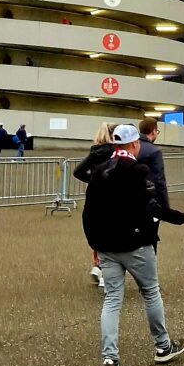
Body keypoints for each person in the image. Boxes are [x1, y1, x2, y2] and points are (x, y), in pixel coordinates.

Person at [81, 122, 184, 366]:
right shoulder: (138, 170)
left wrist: (94, 243)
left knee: (112, 299)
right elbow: (152, 207)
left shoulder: (100, 171)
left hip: (106, 245)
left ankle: (110, 359)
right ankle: (162, 346)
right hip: (136, 244)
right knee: (150, 292)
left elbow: (88, 211)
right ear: (135, 144)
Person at [75, 120, 117, 286]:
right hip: (112, 197)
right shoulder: (116, 153)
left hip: (94, 198)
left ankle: (98, 265)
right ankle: (104, 273)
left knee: (97, 231)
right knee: (112, 232)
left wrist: (93, 180)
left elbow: (78, 171)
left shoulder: (95, 152)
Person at [137, 117, 170, 213]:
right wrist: (165, 207)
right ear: (154, 131)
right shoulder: (154, 151)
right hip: (149, 198)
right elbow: (159, 180)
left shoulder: (132, 146)